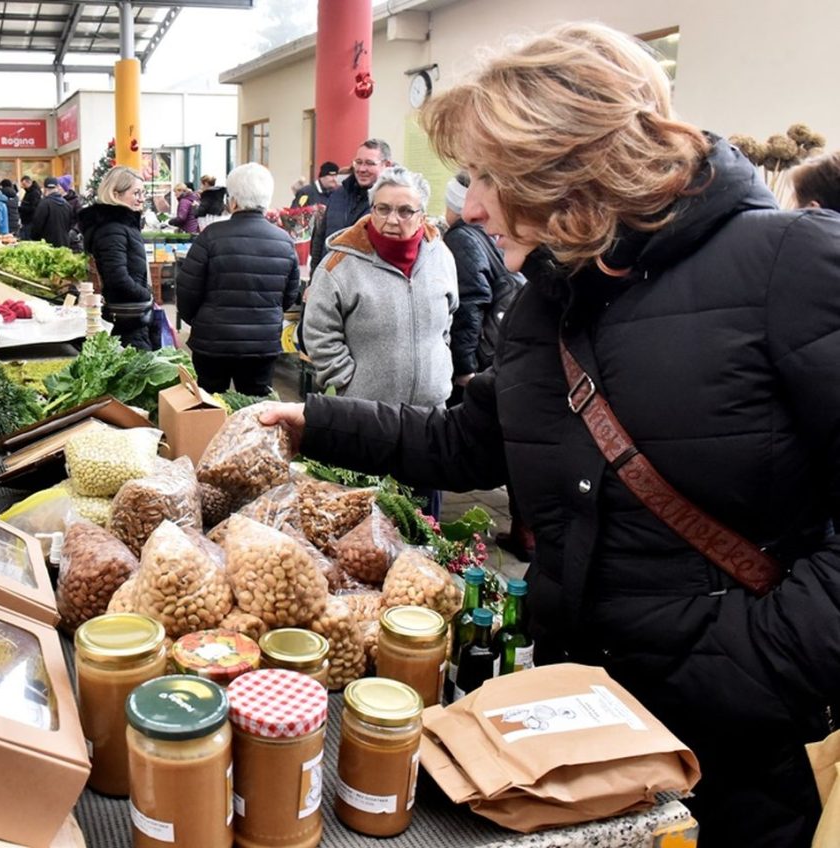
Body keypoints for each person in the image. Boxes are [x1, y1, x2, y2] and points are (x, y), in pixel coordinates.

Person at [260, 22, 840, 847]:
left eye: (490, 176)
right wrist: (315, 420)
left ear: (571, 163)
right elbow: (469, 442)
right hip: (583, 719)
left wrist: (759, 665)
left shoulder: (792, 265)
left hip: (743, 751)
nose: (472, 206)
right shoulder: (550, 301)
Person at [302, 165, 455, 517]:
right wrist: (347, 380)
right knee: (369, 522)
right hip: (368, 419)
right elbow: (319, 333)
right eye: (383, 209)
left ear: (421, 215)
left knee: (424, 521)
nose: (392, 219)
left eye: (404, 211)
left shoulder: (441, 257)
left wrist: (439, 366)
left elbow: (448, 319)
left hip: (429, 419)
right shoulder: (340, 264)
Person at [175, 163, 299, 395]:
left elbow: (187, 289)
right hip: (262, 342)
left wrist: (198, 321)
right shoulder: (284, 241)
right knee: (256, 407)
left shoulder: (210, 236)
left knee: (210, 402)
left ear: (232, 202)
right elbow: (289, 296)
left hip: (212, 340)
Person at [443, 171, 525, 403]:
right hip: (498, 352)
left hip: (480, 358)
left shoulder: (460, 238)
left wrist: (464, 367)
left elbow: (469, 304)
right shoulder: (490, 235)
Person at [78, 166, 159, 350]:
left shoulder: (123, 225)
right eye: (136, 193)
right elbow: (117, 277)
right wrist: (145, 295)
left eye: (143, 193)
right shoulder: (112, 229)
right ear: (116, 194)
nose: (141, 198)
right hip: (127, 319)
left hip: (133, 316)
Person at [309, 139, 392, 270]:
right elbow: (319, 240)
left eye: (369, 163)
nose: (362, 169)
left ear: (386, 165)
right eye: (358, 162)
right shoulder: (338, 195)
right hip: (329, 276)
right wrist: (315, 276)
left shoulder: (392, 202)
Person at [27, 177, 75, 248]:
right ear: (57, 187)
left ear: (45, 188)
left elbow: (37, 226)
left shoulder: (43, 204)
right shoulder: (67, 205)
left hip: (47, 246)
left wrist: (34, 239)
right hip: (64, 244)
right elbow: (70, 224)